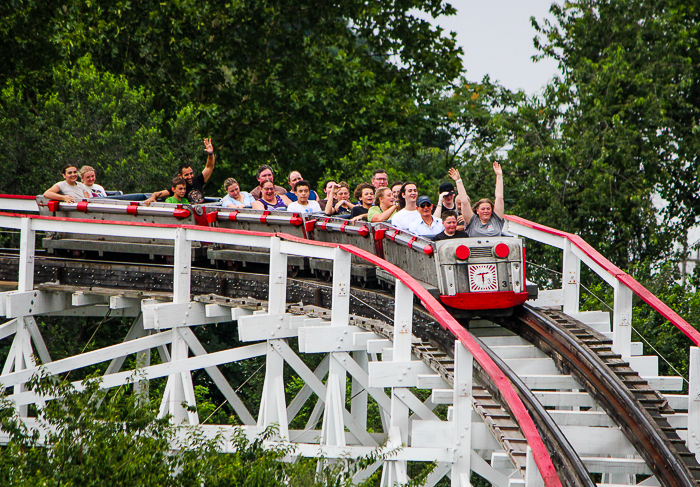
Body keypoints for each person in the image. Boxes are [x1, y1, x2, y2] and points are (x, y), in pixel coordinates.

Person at [145, 138, 216, 205]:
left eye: (191, 174)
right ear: (180, 176)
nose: (189, 177)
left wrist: (210, 154)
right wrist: (152, 197)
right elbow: (158, 193)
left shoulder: (198, 181)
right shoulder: (178, 188)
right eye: (186, 175)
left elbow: (209, 167)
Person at [463, 161, 506, 237]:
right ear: (477, 211)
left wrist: (499, 175)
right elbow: (464, 202)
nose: (485, 211)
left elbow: (499, 197)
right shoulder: (473, 221)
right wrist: (458, 181)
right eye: (483, 209)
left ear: (492, 210)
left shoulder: (496, 220)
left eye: (488, 209)